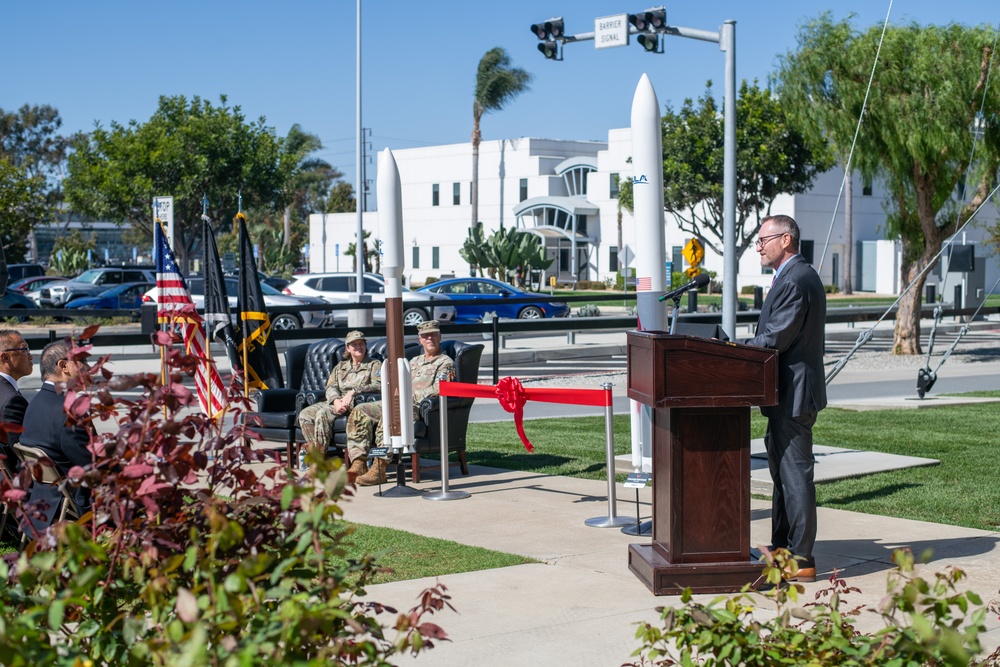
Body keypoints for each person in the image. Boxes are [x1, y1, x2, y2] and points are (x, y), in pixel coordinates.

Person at [743, 214, 827, 582]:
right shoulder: (791, 276)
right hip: (784, 393)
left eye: (763, 240)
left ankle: (801, 557)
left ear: (786, 240)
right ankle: (781, 549)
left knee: (794, 476)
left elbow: (775, 339)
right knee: (783, 475)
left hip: (794, 394)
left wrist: (734, 347)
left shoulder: (796, 280)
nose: (758, 247)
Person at [351, 320, 455, 486]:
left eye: (433, 334)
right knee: (360, 410)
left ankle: (380, 468)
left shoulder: (445, 362)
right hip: (398, 401)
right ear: (420, 339)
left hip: (415, 407)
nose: (430, 338)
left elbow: (440, 388)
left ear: (440, 337)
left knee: (390, 414)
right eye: (425, 336)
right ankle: (358, 463)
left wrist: (408, 396)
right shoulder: (413, 361)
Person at [20, 340, 94, 532]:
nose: (90, 368)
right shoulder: (68, 412)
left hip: (43, 500)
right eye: (83, 362)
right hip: (77, 501)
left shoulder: (34, 403)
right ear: (64, 366)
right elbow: (91, 466)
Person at [297, 330, 381, 473]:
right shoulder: (340, 367)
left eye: (361, 343)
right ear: (347, 348)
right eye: (354, 345)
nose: (359, 347)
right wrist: (336, 400)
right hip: (337, 401)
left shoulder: (374, 364)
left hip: (356, 402)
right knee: (305, 415)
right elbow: (331, 387)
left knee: (323, 414)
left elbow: (378, 385)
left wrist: (354, 391)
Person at [0, 330, 33, 474]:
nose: (30, 356)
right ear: (5, 357)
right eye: (24, 349)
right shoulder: (11, 401)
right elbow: (21, 456)